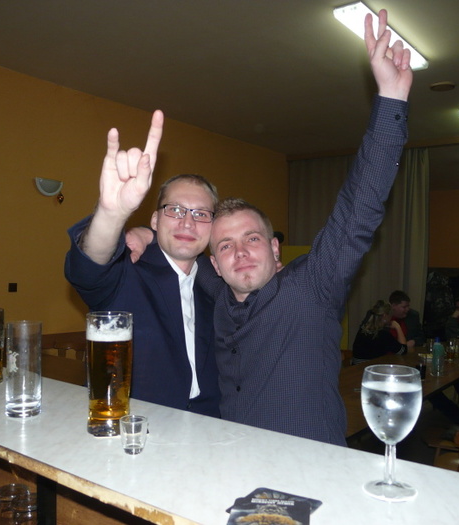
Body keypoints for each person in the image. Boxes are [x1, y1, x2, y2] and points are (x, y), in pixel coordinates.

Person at [195, 9, 412, 445]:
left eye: (252, 238)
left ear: (275, 249)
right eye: (225, 246)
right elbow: (179, 254)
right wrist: (145, 234)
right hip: (232, 466)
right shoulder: (217, 292)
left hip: (311, 472)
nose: (240, 252)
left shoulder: (311, 287)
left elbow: (358, 208)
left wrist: (391, 97)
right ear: (214, 264)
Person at [64, 112, 221, 417]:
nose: (187, 223)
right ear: (155, 220)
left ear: (212, 227)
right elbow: (88, 269)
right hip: (134, 429)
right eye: (175, 210)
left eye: (201, 214)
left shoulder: (218, 284)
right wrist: (112, 215)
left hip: (212, 429)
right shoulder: (127, 271)